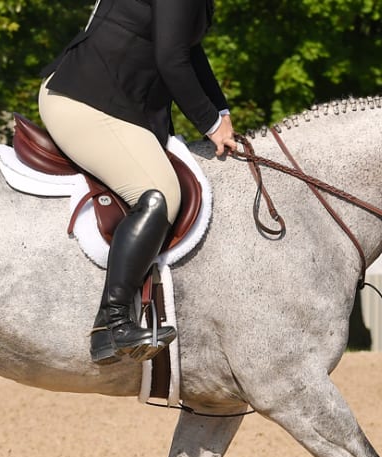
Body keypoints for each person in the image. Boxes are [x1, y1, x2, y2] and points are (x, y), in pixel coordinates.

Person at [38, 0, 235, 365]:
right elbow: (171, 61)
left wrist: (222, 113)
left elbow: (188, 50)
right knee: (159, 195)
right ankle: (112, 324)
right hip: (88, 100)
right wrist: (209, 123)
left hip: (113, 101)